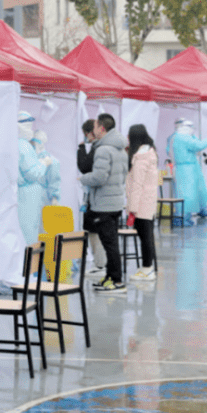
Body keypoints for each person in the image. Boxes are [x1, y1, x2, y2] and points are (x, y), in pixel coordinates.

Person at [79, 113, 128, 293]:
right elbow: (122, 175)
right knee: (111, 243)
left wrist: (82, 178)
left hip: (104, 205)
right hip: (115, 202)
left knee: (110, 244)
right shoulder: (120, 149)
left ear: (101, 128)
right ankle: (111, 277)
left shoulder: (103, 150)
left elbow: (99, 177)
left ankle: (116, 281)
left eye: (94, 127)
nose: (92, 131)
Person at [16, 112, 56, 244]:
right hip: (28, 198)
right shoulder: (23, 146)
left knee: (30, 231)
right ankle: (28, 264)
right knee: (28, 235)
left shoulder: (22, 145)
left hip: (28, 197)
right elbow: (32, 173)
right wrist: (43, 163)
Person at [125, 125, 158, 282]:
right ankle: (147, 268)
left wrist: (132, 208)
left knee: (145, 236)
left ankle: (147, 269)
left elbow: (137, 185)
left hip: (140, 204)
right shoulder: (149, 153)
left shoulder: (140, 158)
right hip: (147, 202)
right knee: (147, 236)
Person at [77, 119, 106, 276]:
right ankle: (101, 263)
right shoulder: (105, 147)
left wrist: (81, 148)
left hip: (97, 197)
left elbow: (85, 167)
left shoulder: (98, 149)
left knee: (94, 231)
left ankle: (100, 264)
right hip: (102, 197)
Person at [170, 118, 207, 225]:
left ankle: (184, 217)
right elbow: (198, 146)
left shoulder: (179, 137)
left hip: (185, 168)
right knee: (187, 194)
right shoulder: (184, 137)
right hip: (187, 169)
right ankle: (183, 218)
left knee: (186, 193)